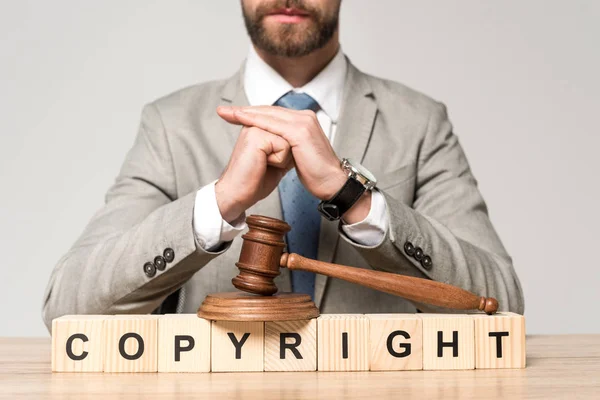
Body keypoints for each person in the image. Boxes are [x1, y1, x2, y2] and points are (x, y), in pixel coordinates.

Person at [41, 0, 524, 330]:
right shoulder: (170, 125)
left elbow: (500, 308)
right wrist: (220, 202)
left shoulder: (419, 122)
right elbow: (67, 310)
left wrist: (353, 199)